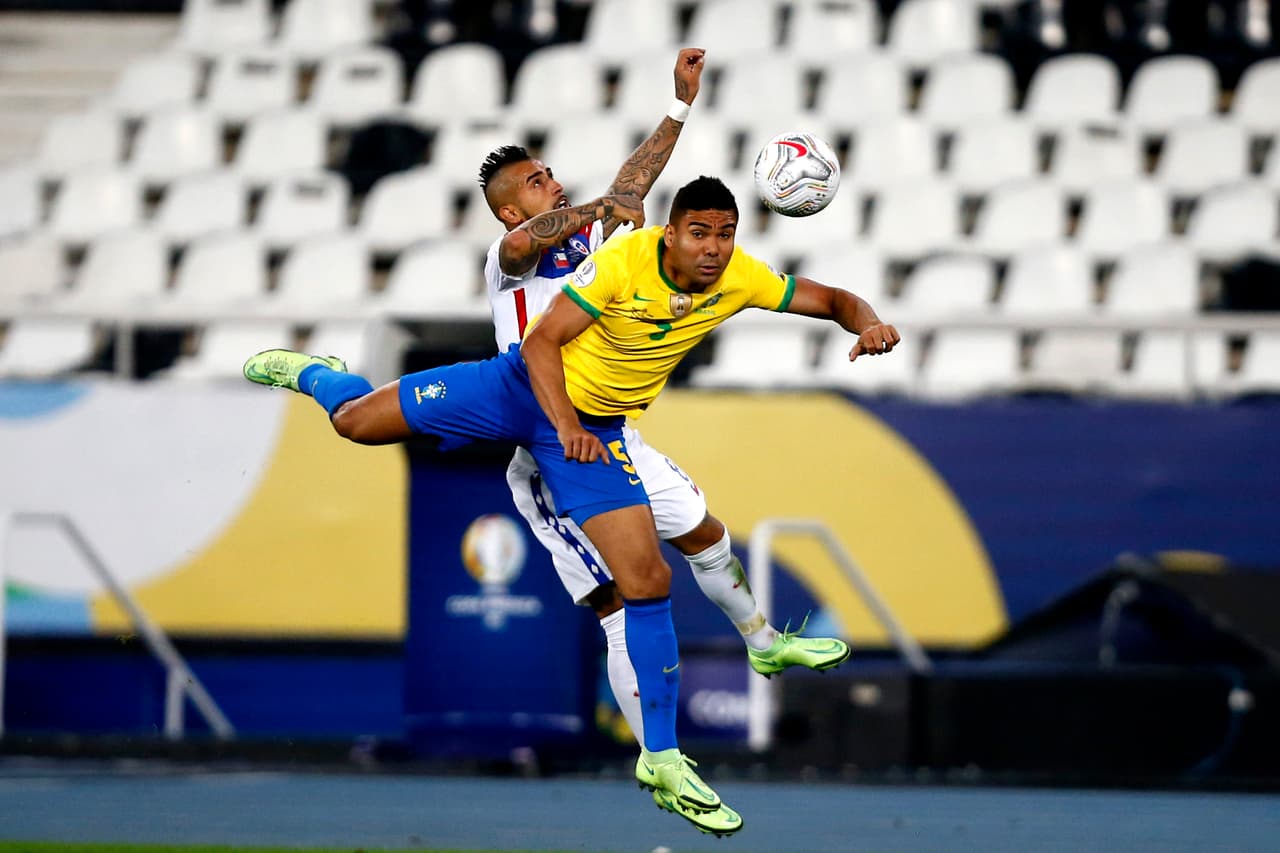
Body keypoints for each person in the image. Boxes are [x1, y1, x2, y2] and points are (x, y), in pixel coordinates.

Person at [241, 176, 900, 836]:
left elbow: (834, 297)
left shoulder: (741, 278)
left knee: (652, 577)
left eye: (725, 234)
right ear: (670, 232)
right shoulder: (620, 260)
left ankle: (667, 753)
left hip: (594, 430)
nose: (714, 247)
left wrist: (868, 323)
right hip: (520, 393)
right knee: (356, 421)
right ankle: (316, 373)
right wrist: (565, 426)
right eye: (700, 232)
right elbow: (538, 344)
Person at [477, 47, 851, 763]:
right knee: (623, 603)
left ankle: (764, 643)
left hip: (614, 433)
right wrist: (597, 207)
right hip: (553, 446)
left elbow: (634, 181)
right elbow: (532, 241)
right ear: (507, 207)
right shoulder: (508, 258)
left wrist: (680, 104)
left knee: (707, 534)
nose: (551, 182)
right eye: (535, 180)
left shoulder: (589, 238)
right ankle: (660, 757)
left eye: (550, 172)